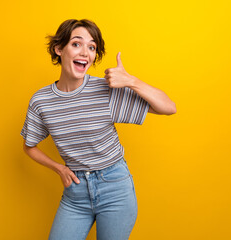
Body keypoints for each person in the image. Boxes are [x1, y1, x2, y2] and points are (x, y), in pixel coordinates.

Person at [21, 19, 176, 240]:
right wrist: (59, 168)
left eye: (92, 47)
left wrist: (131, 81)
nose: (85, 52)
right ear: (59, 49)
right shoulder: (41, 101)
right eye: (76, 44)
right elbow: (29, 146)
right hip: (75, 194)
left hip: (115, 188)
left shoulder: (105, 90)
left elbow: (169, 107)